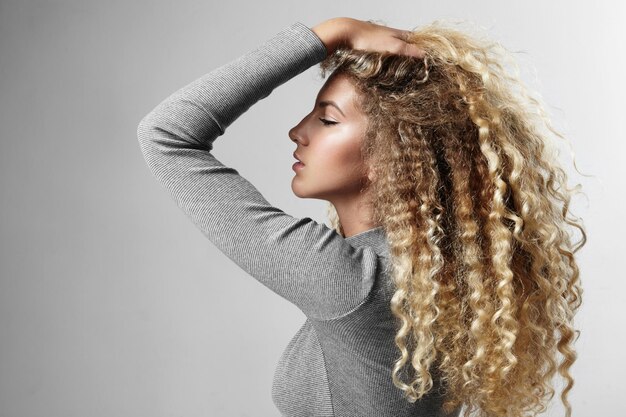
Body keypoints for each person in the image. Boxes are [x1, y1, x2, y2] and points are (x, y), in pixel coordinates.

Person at [137, 16, 586, 417]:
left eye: (327, 120)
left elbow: (167, 134)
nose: (297, 131)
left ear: (390, 155)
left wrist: (330, 34)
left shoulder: (356, 279)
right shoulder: (434, 272)